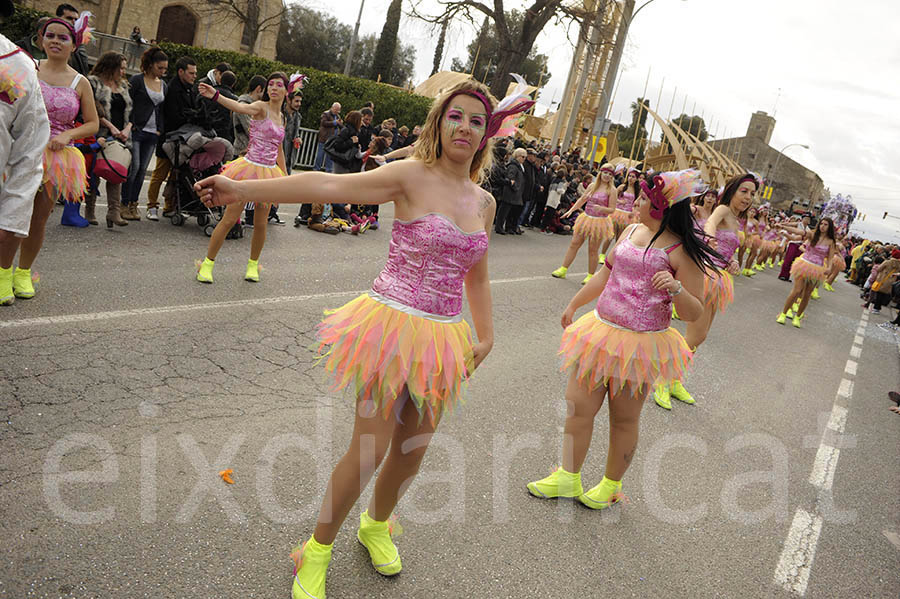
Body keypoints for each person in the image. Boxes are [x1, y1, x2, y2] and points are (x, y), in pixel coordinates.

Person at [194, 78, 535, 599]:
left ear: (487, 131)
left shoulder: (485, 202)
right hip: (390, 327)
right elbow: (327, 186)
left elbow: (479, 275)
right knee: (369, 447)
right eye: (454, 116)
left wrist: (486, 335)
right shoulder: (410, 176)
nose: (463, 126)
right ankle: (318, 549)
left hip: (444, 338)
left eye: (474, 119)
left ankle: (377, 524)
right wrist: (242, 189)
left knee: (414, 447)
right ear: (438, 123)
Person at [526, 169, 719, 510]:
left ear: (661, 206)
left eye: (644, 198)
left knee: (624, 418)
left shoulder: (679, 250)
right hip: (600, 332)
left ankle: (611, 485)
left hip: (640, 346)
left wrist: (675, 289)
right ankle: (568, 477)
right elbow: (606, 272)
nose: (636, 202)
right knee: (578, 406)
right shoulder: (630, 230)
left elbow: (694, 312)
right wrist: (575, 303)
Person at [7, 15, 97, 300]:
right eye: (50, 36)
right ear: (41, 40)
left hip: (57, 157)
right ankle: (2, 271)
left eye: (63, 37)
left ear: (74, 45)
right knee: (11, 213)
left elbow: (93, 123)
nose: (55, 41)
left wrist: (68, 135)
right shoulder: (28, 68)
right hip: (20, 150)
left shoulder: (81, 82)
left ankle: (23, 273)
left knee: (38, 218)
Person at [654, 173, 751, 409]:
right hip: (706, 274)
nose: (748, 197)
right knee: (695, 335)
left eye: (752, 193)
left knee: (701, 336)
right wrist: (709, 236)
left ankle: (675, 380)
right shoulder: (723, 210)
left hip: (721, 276)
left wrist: (732, 263)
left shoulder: (739, 220)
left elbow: (727, 250)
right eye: (744, 191)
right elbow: (710, 223)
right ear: (732, 190)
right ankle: (662, 380)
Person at [195, 72, 287, 284]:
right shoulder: (260, 107)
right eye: (270, 84)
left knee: (261, 223)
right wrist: (215, 95)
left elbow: (279, 148)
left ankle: (253, 265)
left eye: (278, 85)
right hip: (248, 169)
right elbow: (240, 107)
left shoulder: (283, 117)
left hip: (269, 173)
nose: (273, 88)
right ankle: (207, 265)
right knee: (229, 218)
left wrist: (284, 178)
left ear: (286, 91)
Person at [0, 3, 52, 306]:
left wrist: (13, 216)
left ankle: (12, 273)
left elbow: (29, 148)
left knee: (41, 215)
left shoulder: (16, 66)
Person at [145, 56, 199, 219]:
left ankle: (169, 206)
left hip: (182, 140)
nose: (194, 76)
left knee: (175, 175)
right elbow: (172, 116)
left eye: (195, 73)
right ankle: (152, 206)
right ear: (181, 71)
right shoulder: (171, 89)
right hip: (168, 139)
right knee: (159, 174)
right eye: (191, 73)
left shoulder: (190, 88)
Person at [550, 164, 618, 284]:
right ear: (600, 173)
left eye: (610, 174)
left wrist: (602, 208)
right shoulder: (592, 186)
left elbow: (612, 209)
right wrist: (571, 211)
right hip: (586, 218)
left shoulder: (612, 190)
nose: (607, 176)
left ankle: (590, 275)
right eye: (605, 173)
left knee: (593, 249)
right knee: (574, 244)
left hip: (599, 222)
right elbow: (582, 200)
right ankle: (563, 269)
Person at [86, 51, 131, 227]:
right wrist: (110, 127)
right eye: (121, 68)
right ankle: (90, 210)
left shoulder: (124, 86)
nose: (123, 72)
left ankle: (113, 212)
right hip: (99, 133)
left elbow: (132, 111)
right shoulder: (92, 82)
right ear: (110, 66)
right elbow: (90, 108)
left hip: (121, 135)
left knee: (116, 172)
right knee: (94, 172)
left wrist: (127, 129)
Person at [122, 46, 166, 220]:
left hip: (152, 133)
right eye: (159, 68)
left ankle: (133, 204)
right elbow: (128, 103)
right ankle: (124, 204)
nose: (162, 71)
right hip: (137, 130)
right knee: (134, 168)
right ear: (150, 64)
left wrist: (159, 129)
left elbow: (162, 109)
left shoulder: (164, 85)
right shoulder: (137, 80)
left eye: (165, 69)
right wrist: (130, 124)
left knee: (142, 171)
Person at [776, 218, 840, 327]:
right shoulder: (812, 234)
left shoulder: (831, 242)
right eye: (821, 224)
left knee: (806, 295)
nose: (823, 226)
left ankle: (797, 317)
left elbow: (829, 258)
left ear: (829, 227)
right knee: (796, 291)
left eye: (825, 224)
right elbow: (798, 232)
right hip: (804, 264)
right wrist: (783, 227)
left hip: (817, 268)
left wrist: (829, 268)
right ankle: (783, 313)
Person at [495, 147, 525, 235]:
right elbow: (510, 177)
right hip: (510, 192)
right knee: (503, 211)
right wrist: (515, 186)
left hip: (514, 193)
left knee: (508, 212)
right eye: (522, 157)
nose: (524, 159)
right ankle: (499, 227)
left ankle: (506, 227)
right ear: (517, 156)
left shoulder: (519, 166)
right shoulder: (513, 166)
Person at [54, 4, 88, 76]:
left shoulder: (79, 47)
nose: (74, 22)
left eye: (76, 19)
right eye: (69, 18)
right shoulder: (46, 40)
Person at [314, 102, 341, 172]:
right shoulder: (326, 114)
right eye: (336, 109)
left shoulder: (338, 116)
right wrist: (334, 122)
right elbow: (323, 123)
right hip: (324, 138)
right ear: (332, 108)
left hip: (332, 140)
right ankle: (317, 169)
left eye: (338, 110)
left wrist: (340, 124)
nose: (337, 111)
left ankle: (329, 170)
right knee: (320, 155)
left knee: (330, 156)